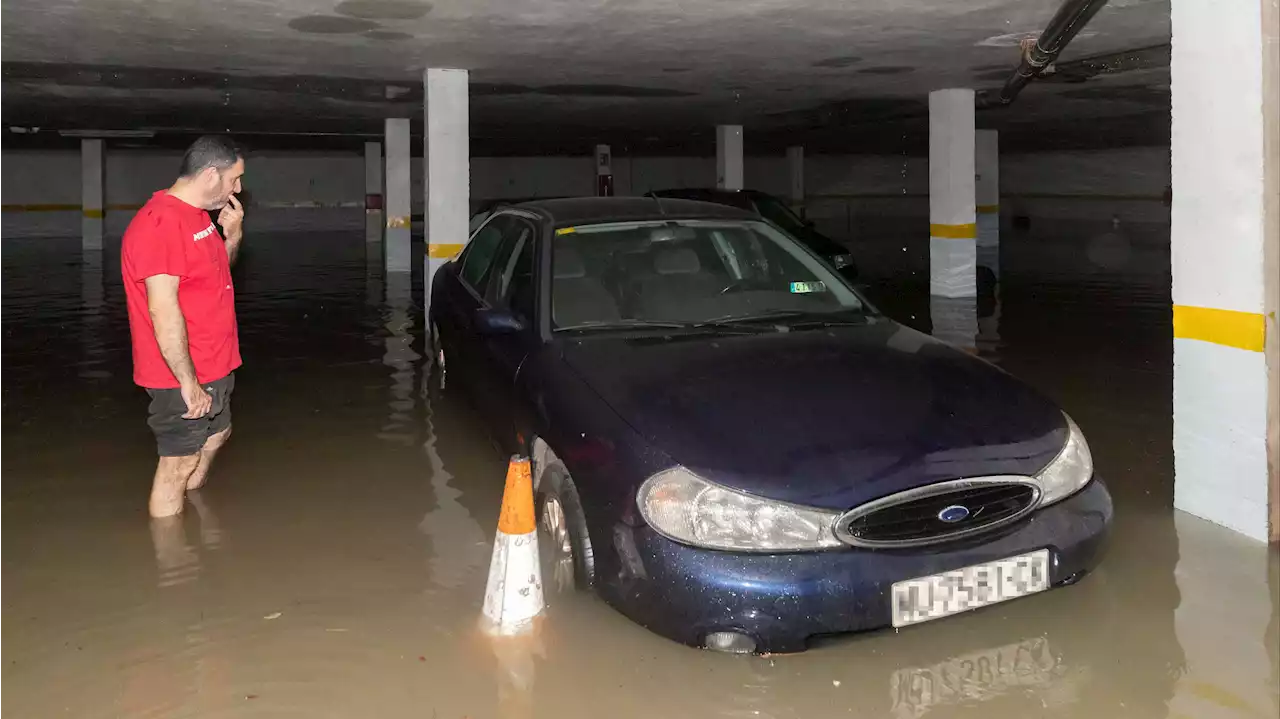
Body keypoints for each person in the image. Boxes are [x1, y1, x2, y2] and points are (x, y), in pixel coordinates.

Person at [121, 135, 246, 518]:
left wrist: (233, 236)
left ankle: (194, 508)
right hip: (180, 371)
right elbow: (163, 308)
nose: (238, 188)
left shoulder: (197, 218)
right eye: (234, 179)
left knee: (216, 435)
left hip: (216, 360)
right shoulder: (159, 225)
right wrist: (187, 382)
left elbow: (214, 275)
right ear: (211, 175)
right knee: (177, 462)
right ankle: (173, 567)